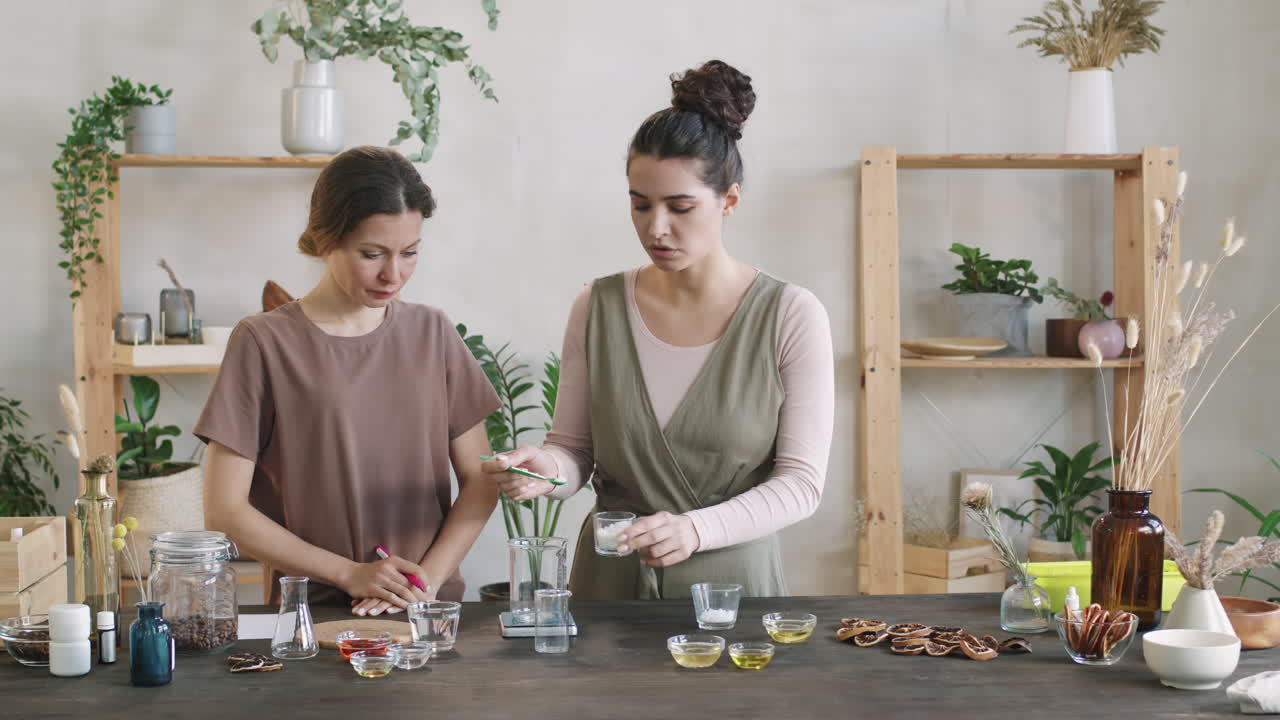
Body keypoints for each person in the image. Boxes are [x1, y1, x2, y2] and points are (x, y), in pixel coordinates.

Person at [483, 60, 834, 599]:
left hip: (731, 596)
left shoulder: (790, 314)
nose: (656, 228)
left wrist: (697, 528)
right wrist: (545, 471)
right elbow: (574, 453)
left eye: (680, 206)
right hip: (610, 590)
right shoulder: (595, 307)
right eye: (640, 205)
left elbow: (801, 485)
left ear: (730, 201)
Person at [197, 146, 500, 615]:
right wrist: (350, 573)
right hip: (314, 615)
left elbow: (481, 481)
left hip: (428, 611)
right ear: (325, 241)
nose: (393, 274)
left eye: (410, 253)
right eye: (372, 253)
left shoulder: (433, 332)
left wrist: (423, 581)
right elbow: (224, 510)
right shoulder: (263, 342)